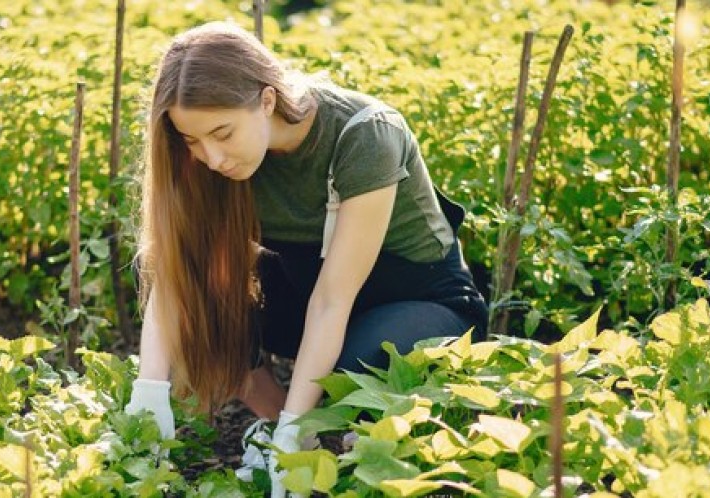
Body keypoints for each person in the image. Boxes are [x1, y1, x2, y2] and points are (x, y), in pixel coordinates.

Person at [123, 21, 487, 495]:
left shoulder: (364, 136)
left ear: (267, 100)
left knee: (357, 373)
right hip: (310, 285)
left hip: (418, 300)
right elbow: (176, 275)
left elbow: (333, 299)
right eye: (192, 141)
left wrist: (303, 422)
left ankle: (312, 432)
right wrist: (149, 395)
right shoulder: (215, 159)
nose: (211, 157)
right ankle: (274, 426)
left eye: (222, 132)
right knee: (180, 275)